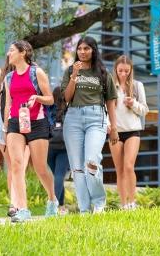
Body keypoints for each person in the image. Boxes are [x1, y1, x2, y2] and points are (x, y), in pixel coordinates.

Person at [61, 36, 118, 214]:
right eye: (80, 49)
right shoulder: (71, 70)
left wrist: (114, 127)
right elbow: (66, 98)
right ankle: (84, 209)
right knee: (77, 168)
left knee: (91, 162)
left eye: (86, 48)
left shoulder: (102, 72)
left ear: (93, 50)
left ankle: (99, 203)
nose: (82, 52)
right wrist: (74, 76)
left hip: (96, 118)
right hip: (73, 118)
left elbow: (110, 102)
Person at [3, 40, 57, 222]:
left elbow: (50, 99)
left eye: (11, 50)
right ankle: (23, 209)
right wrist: (6, 126)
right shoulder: (8, 78)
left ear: (23, 52)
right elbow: (8, 104)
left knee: (40, 168)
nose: (8, 54)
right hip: (15, 123)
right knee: (17, 164)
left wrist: (37, 98)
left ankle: (52, 199)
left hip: (37, 122)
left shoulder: (36, 72)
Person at [109, 55, 148, 210]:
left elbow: (144, 110)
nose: (123, 74)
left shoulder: (138, 86)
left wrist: (134, 104)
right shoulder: (110, 86)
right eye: (120, 71)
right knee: (119, 169)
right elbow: (105, 110)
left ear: (131, 70)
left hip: (133, 131)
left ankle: (132, 202)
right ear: (116, 70)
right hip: (115, 133)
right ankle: (123, 204)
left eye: (126, 71)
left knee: (129, 166)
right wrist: (109, 127)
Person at [0, 57, 30, 217]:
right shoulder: (29, 74)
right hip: (22, 118)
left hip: (1, 121)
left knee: (12, 166)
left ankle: (13, 204)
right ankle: (20, 205)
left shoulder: (1, 78)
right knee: (20, 166)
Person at [47, 86, 69, 215]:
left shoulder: (49, 110)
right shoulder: (69, 110)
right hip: (64, 147)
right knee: (59, 176)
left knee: (55, 176)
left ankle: (60, 206)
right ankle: (56, 206)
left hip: (49, 146)